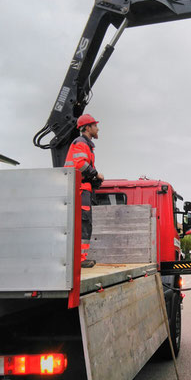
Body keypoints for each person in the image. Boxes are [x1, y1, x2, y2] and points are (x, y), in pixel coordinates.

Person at [64, 114, 104, 268]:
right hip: (80, 190)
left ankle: (81, 257)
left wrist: (95, 179)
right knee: (84, 223)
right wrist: (96, 174)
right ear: (87, 128)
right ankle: (80, 258)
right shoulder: (81, 143)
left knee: (85, 223)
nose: (97, 128)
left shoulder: (85, 144)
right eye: (95, 125)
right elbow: (80, 164)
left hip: (83, 188)